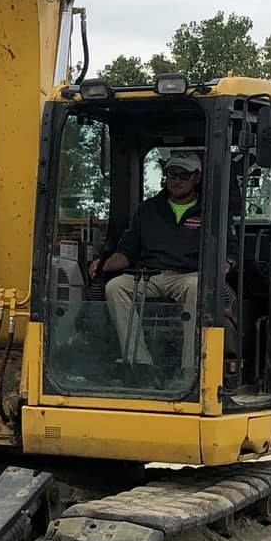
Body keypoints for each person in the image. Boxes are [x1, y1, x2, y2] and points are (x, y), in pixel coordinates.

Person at [92, 149, 204, 380]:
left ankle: (190, 369)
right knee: (115, 287)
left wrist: (226, 265)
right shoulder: (148, 209)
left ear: (196, 178)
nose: (176, 180)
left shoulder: (210, 210)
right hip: (148, 275)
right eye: (172, 174)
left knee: (196, 288)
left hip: (188, 276)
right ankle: (141, 364)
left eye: (183, 175)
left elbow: (228, 251)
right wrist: (102, 264)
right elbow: (126, 252)